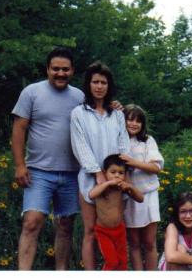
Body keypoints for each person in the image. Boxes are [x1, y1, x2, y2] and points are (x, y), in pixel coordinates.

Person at [11, 47, 83, 270]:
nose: (60, 73)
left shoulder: (80, 96)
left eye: (65, 69)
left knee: (65, 225)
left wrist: (115, 106)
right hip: (38, 171)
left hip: (72, 172)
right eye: (55, 69)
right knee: (31, 222)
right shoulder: (31, 92)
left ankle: (61, 271)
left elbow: (98, 117)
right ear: (47, 69)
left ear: (72, 71)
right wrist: (20, 165)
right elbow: (19, 129)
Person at [70, 61, 131, 270]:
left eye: (103, 82)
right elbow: (80, 145)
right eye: (95, 81)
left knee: (114, 229)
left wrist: (121, 176)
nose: (99, 86)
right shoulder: (79, 113)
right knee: (90, 231)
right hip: (90, 178)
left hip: (116, 179)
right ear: (88, 84)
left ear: (108, 85)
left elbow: (124, 145)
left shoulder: (117, 114)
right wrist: (97, 173)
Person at [118, 104, 164, 270]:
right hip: (128, 197)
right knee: (134, 242)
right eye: (129, 119)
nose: (133, 124)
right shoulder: (117, 140)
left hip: (149, 194)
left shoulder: (147, 141)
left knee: (149, 242)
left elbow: (156, 167)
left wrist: (133, 162)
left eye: (138, 121)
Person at [89, 154, 144, 270]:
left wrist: (130, 187)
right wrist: (107, 183)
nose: (117, 176)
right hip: (103, 232)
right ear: (105, 172)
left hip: (120, 230)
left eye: (120, 173)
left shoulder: (121, 188)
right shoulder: (102, 187)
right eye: (113, 172)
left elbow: (140, 198)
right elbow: (91, 194)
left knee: (123, 262)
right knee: (112, 262)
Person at [158, 192, 192, 271]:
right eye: (183, 211)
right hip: (174, 268)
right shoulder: (172, 228)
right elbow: (171, 256)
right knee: (179, 249)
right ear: (177, 213)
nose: (188, 216)